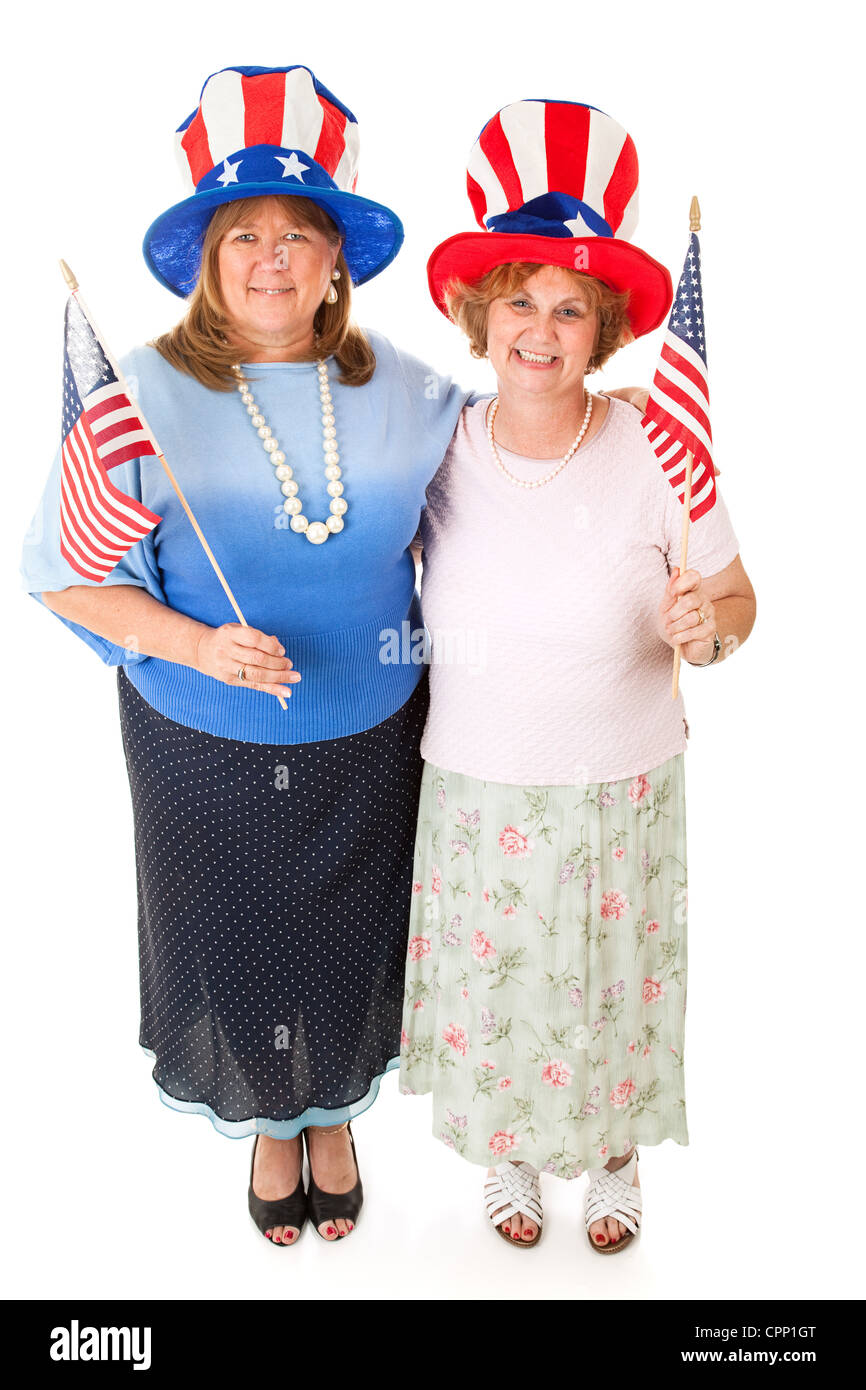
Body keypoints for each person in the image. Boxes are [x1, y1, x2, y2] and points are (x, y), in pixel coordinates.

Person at [20, 64, 473, 1247]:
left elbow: (518, 488)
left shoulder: (415, 393)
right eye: (246, 235)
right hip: (201, 741)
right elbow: (62, 568)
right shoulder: (145, 393)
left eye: (299, 234)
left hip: (374, 733)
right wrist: (189, 641)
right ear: (209, 257)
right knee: (235, 929)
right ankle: (277, 1122)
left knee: (349, 931)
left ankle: (335, 1111)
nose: (273, 258)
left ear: (337, 258)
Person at [399, 98, 757, 1252]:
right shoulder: (438, 443)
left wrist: (706, 628)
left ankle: (610, 1156)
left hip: (619, 782)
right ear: (478, 312)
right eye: (519, 302)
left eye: (569, 308)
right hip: (477, 782)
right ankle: (508, 1146)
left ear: (601, 327)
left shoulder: (655, 437)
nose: (541, 330)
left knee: (610, 981)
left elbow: (736, 605)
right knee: (503, 982)